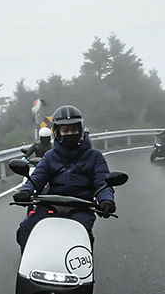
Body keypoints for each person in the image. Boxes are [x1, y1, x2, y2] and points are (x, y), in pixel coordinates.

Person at [13, 105, 115, 251]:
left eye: (74, 129)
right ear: (57, 132)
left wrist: (106, 200)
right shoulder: (50, 156)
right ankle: (27, 269)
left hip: (81, 207)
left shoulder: (95, 157)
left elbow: (102, 181)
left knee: (83, 240)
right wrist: (26, 191)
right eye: (65, 130)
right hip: (50, 205)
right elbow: (38, 177)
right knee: (26, 231)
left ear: (80, 130)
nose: (70, 133)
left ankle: (82, 272)